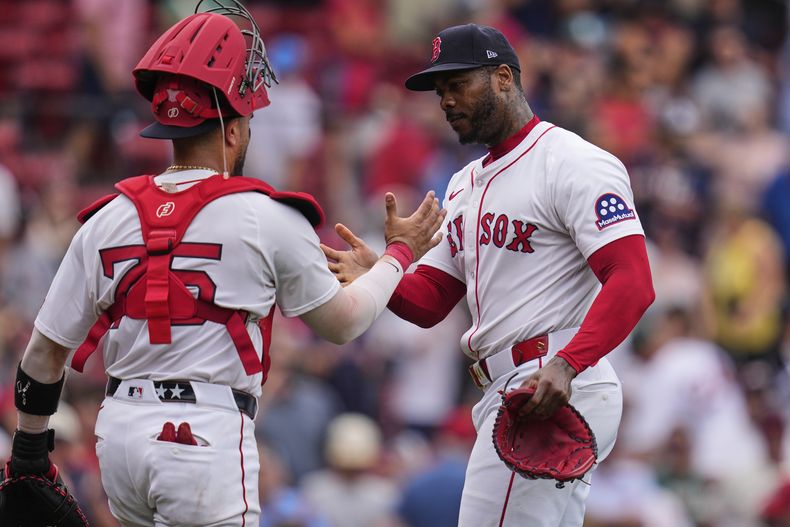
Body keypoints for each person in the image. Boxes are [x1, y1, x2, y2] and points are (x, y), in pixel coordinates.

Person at [5, 3, 444, 527]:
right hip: (201, 435)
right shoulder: (268, 216)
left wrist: (29, 453)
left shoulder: (106, 218)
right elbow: (345, 323)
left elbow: (44, 352)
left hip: (117, 437)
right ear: (233, 130)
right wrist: (399, 256)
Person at [322, 23, 655, 526]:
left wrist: (567, 364)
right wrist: (383, 271)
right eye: (441, 91)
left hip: (552, 379)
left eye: (459, 84)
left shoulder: (573, 162)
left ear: (503, 77)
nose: (447, 100)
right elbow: (432, 300)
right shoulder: (463, 183)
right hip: (514, 386)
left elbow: (632, 280)